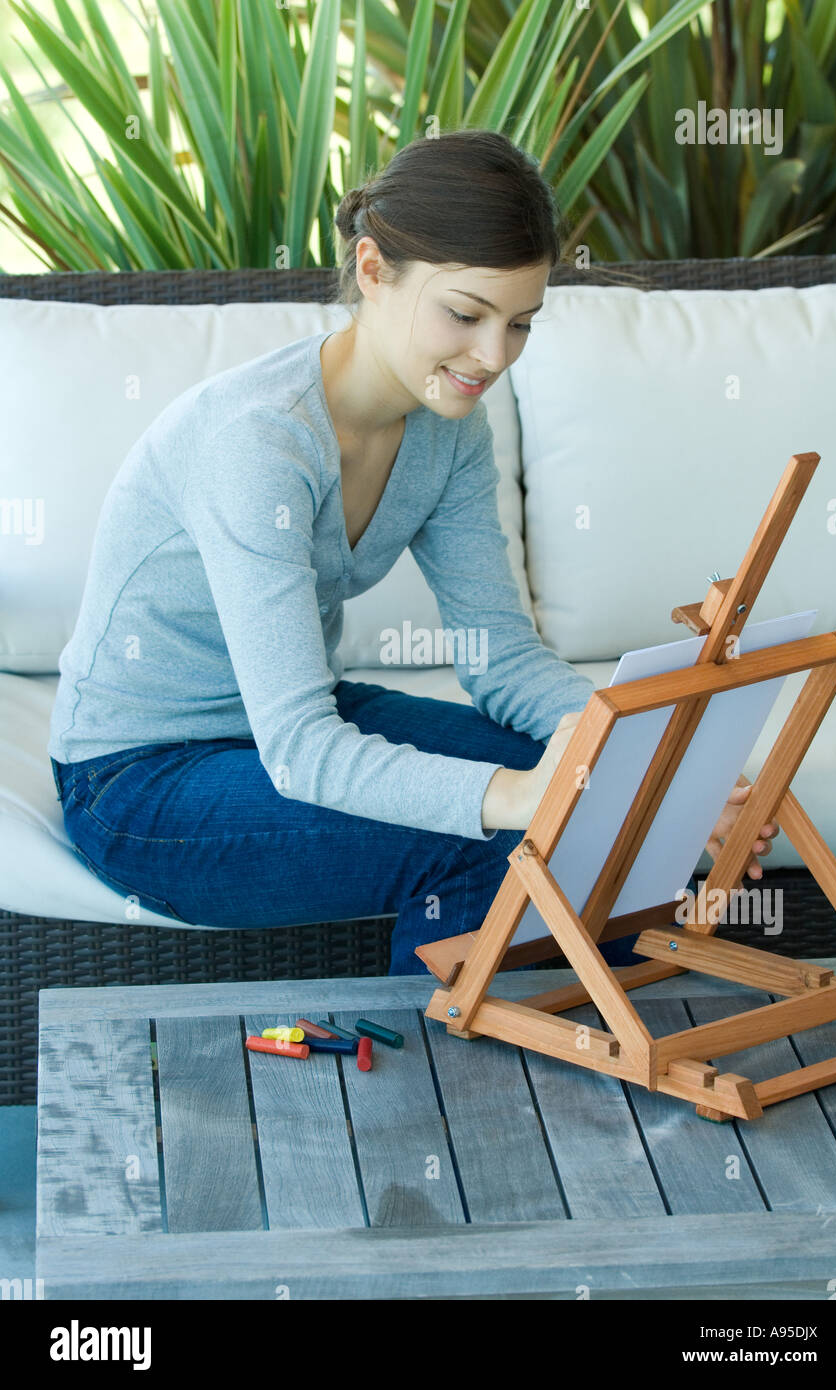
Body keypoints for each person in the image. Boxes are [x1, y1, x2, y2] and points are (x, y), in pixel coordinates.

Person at [47, 129, 777, 975]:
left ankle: (597, 1049)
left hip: (282, 724)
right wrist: (520, 797)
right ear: (370, 270)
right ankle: (447, 1092)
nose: (492, 357)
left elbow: (499, 655)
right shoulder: (258, 445)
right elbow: (300, 748)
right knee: (495, 830)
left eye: (519, 325)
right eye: (464, 315)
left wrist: (634, 762)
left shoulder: (447, 426)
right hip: (141, 780)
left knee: (594, 798)